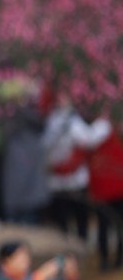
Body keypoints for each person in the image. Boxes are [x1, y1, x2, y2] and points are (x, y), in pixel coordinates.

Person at [42, 94, 111, 239]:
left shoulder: (63, 120)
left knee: (73, 219)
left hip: (70, 177)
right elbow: (89, 139)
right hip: (64, 179)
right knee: (73, 219)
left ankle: (75, 248)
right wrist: (103, 125)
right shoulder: (59, 120)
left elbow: (87, 140)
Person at [0, 76, 49, 225]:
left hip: (23, 170)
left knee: (26, 209)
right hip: (20, 169)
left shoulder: (25, 116)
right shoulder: (18, 117)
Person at [89, 125, 123, 271]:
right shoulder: (113, 148)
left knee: (106, 227)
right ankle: (116, 259)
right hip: (113, 197)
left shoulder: (96, 153)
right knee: (116, 226)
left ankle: (107, 259)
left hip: (105, 197)